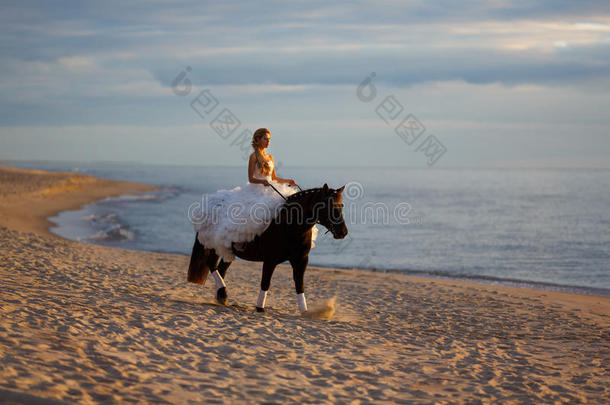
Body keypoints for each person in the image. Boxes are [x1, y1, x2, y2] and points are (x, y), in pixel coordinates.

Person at [191, 128, 317, 261]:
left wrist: (288, 181)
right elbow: (251, 178)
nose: (268, 141)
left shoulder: (270, 157)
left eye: (269, 139)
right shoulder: (253, 157)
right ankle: (243, 242)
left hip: (270, 188)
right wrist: (262, 182)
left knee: (286, 208)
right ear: (258, 140)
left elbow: (273, 177)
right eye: (265, 139)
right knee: (253, 212)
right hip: (256, 189)